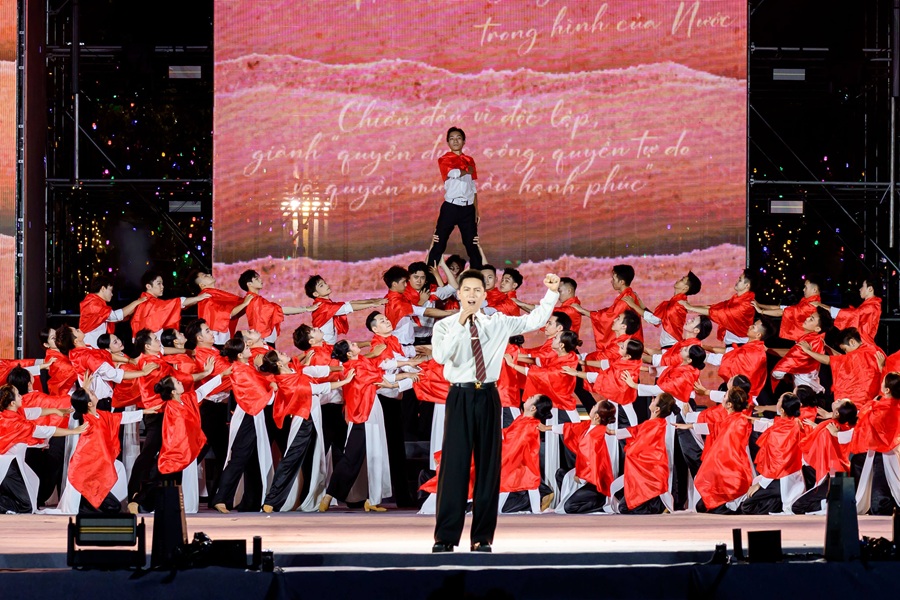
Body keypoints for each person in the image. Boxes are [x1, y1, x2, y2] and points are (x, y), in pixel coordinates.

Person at [430, 269, 560, 554]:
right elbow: (441, 356)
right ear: (459, 294)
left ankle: (482, 537)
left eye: (477, 290)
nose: (472, 295)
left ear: (484, 295)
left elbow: (534, 321)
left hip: (489, 395)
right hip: (460, 395)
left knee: (489, 466)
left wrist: (551, 293)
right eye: (467, 290)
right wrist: (460, 322)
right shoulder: (445, 325)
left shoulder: (497, 322)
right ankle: (445, 537)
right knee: (455, 465)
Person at [0, 385, 85, 513]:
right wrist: (73, 431)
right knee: (26, 506)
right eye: (18, 395)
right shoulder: (16, 424)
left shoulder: (12, 413)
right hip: (6, 466)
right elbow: (46, 431)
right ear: (12, 403)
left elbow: (35, 411)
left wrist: (56, 411)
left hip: (12, 463)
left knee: (34, 483)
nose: (21, 396)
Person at [426, 127, 482, 269]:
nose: (455, 141)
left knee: (472, 245)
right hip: (451, 207)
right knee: (439, 243)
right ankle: (429, 277)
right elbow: (454, 173)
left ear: (464, 141)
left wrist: (476, 210)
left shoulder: (469, 160)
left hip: (468, 208)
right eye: (452, 138)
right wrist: (467, 170)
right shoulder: (444, 159)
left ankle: (476, 276)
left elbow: (473, 187)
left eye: (458, 138)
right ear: (448, 142)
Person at [238, 269, 317, 346]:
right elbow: (281, 310)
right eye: (256, 279)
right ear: (249, 284)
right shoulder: (255, 300)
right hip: (264, 340)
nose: (260, 280)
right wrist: (306, 309)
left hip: (264, 340)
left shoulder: (252, 299)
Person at [303, 275, 385, 345]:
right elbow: (349, 307)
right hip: (325, 348)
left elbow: (350, 303)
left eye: (325, 283)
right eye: (321, 285)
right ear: (316, 294)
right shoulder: (323, 306)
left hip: (330, 346)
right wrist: (372, 304)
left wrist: (373, 301)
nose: (326, 285)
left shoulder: (327, 303)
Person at [681, 269, 756, 344]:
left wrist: (690, 307)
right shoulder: (738, 299)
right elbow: (714, 308)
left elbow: (718, 313)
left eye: (740, 280)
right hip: (733, 344)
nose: (737, 281)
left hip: (741, 346)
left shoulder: (746, 305)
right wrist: (691, 307)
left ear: (747, 285)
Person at [130, 269, 209, 340]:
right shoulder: (150, 303)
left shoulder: (143, 302)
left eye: (162, 283)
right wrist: (198, 298)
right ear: (148, 286)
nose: (162, 286)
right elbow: (176, 303)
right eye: (159, 283)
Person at [79, 275, 147, 348]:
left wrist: (128, 314)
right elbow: (114, 316)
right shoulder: (92, 303)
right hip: (91, 346)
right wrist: (136, 302)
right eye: (111, 290)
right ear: (103, 288)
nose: (112, 294)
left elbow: (111, 318)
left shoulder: (96, 302)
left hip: (95, 345)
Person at [186, 270, 252, 346]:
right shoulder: (206, 299)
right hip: (217, 341)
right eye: (205, 276)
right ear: (202, 285)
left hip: (222, 339)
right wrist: (245, 303)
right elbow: (227, 313)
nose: (209, 274)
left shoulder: (214, 295)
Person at [753, 275, 823, 342]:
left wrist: (761, 311)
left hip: (801, 339)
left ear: (814, 290)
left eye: (806, 287)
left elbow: (783, 311)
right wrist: (760, 305)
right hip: (798, 337)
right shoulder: (808, 301)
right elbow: (785, 308)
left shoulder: (810, 305)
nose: (803, 289)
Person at [815, 276, 882, 345]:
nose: (860, 289)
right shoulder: (871, 305)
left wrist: (825, 306)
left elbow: (853, 314)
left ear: (870, 289)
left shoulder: (872, 306)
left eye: (862, 286)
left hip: (864, 344)